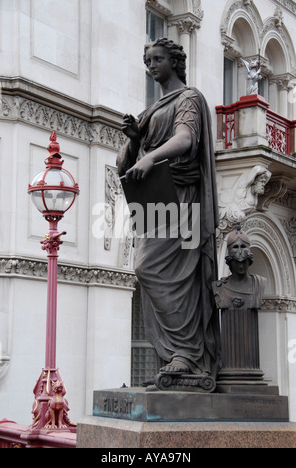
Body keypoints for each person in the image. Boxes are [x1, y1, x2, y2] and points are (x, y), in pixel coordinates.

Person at [117, 38, 220, 378]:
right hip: (157, 201)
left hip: (185, 201)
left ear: (174, 62)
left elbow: (185, 139)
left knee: (166, 272)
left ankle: (188, 353)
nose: (151, 65)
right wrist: (135, 138)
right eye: (147, 60)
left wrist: (150, 157)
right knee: (149, 270)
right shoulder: (150, 111)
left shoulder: (188, 98)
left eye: (157, 59)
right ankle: (177, 355)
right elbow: (123, 163)